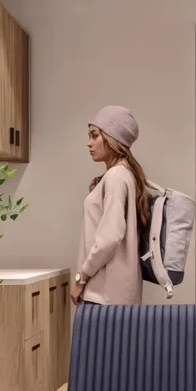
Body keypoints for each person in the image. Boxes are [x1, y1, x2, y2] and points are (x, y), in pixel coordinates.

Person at [72, 105, 150, 306]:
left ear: (114, 138)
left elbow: (109, 237)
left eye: (95, 135)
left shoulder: (116, 176)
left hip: (103, 293)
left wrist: (82, 277)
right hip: (115, 292)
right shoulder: (122, 175)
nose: (89, 143)